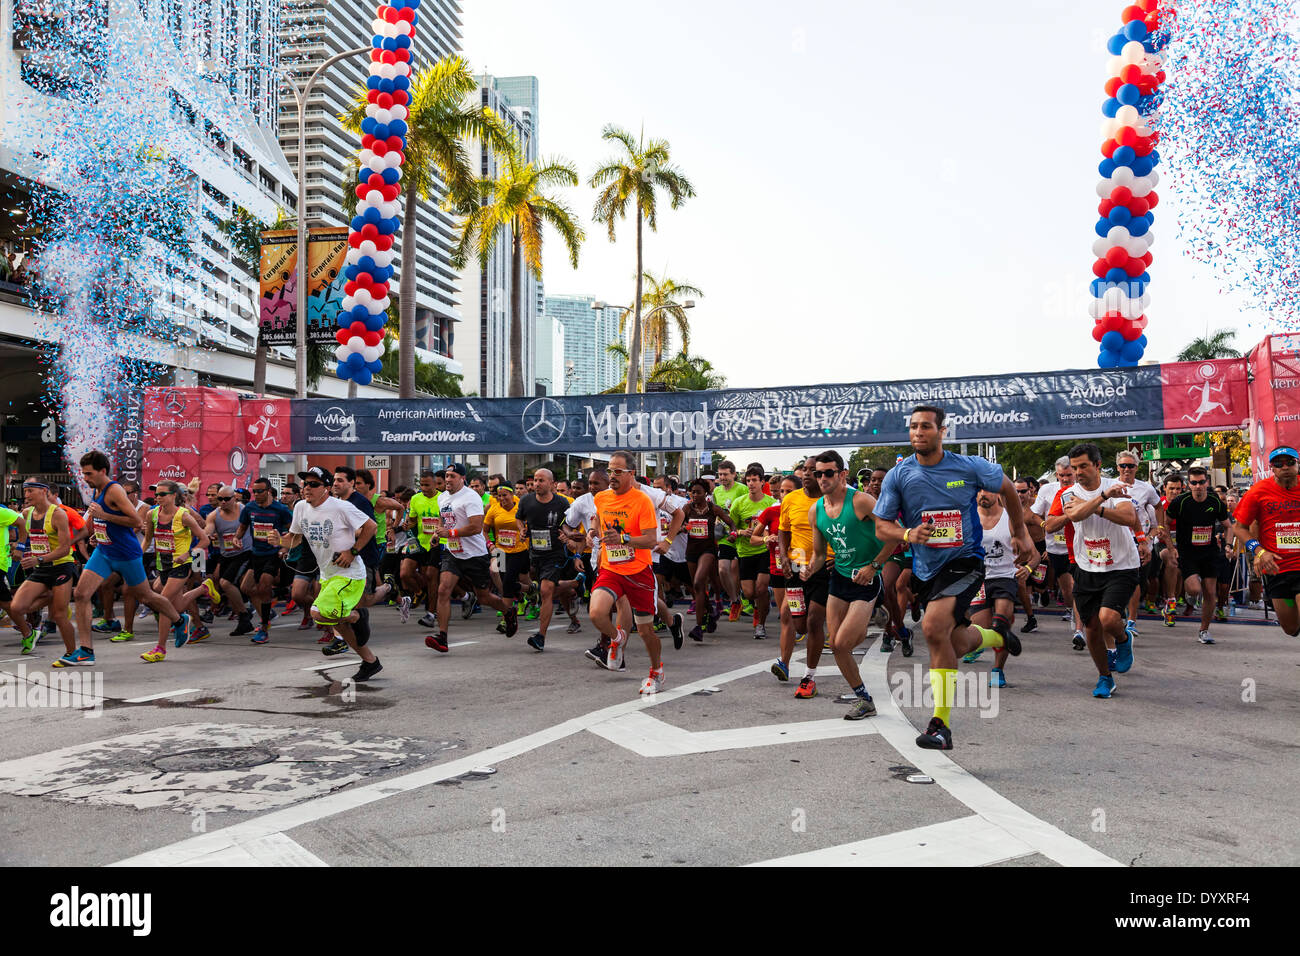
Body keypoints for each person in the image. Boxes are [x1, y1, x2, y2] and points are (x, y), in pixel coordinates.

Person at [873, 406, 1032, 749]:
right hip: (925, 570)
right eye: (913, 426)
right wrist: (907, 534)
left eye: (926, 426)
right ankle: (996, 637)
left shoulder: (968, 466)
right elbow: (882, 526)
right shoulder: (899, 476)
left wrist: (1019, 531)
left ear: (942, 431)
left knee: (932, 628)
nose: (918, 432)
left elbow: (1005, 486)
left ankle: (940, 725)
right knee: (955, 643)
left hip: (965, 562)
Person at [67, 451, 188, 666]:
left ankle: (180, 621)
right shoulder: (98, 489)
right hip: (104, 551)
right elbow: (99, 523)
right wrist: (94, 533)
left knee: (147, 597)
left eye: (88, 473)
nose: (84, 477)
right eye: (83, 473)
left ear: (102, 471)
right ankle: (86, 651)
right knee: (81, 594)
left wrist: (104, 517)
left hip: (125, 554)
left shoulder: (114, 491)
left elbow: (134, 521)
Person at [805, 451, 892, 718]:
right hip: (840, 579)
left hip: (867, 578)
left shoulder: (862, 501)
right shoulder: (816, 510)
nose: (822, 478)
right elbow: (820, 555)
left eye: (828, 473)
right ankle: (863, 698)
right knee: (837, 644)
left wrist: (873, 566)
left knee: (843, 644)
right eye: (818, 473)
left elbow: (894, 535)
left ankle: (872, 610)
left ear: (842, 474)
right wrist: (808, 569)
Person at [1054, 442, 1144, 698]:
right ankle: (1105, 677)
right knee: (1092, 627)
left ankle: (1123, 639)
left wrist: (1097, 503)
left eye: (1083, 466)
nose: (1079, 472)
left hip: (1121, 565)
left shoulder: (1118, 487)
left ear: (1097, 465)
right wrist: (1104, 500)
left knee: (1108, 619)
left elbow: (1128, 518)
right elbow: (1075, 515)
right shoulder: (1069, 493)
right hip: (1087, 565)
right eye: (1074, 467)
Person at [281, 470, 382, 682]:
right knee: (340, 625)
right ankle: (371, 662)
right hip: (328, 574)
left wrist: (352, 552)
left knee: (317, 613)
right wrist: (279, 542)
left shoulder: (340, 506)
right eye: (304, 484)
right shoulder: (300, 507)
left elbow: (371, 527)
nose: (307, 488)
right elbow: (295, 539)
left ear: (325, 487)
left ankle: (357, 615)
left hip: (349, 574)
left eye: (313, 484)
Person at [588, 451, 665, 695]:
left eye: (618, 471)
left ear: (631, 474)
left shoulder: (642, 501)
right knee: (596, 614)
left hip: (639, 571)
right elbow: (598, 519)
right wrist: (593, 531)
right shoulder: (601, 498)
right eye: (610, 470)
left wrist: (623, 538)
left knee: (645, 631)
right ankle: (618, 638)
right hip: (611, 568)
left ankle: (656, 672)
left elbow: (651, 539)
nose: (612, 475)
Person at [428, 463, 518, 652]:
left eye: (452, 476)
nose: (448, 479)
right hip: (452, 552)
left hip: (475, 555)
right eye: (446, 476)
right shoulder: (442, 497)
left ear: (462, 479)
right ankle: (442, 637)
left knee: (484, 597)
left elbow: (476, 527)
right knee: (443, 590)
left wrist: (449, 532)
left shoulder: (471, 497)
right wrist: (438, 533)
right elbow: (442, 519)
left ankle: (509, 611)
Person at [966, 489, 1039, 687]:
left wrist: (1028, 568)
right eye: (979, 491)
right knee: (981, 629)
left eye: (987, 490)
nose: (983, 494)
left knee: (1002, 622)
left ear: (998, 493)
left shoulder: (1010, 519)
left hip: (1005, 577)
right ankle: (989, 641)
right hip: (979, 579)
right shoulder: (969, 518)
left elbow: (1035, 555)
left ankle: (998, 670)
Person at [137, 480, 211, 662]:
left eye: (162, 494)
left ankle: (160, 649)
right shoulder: (151, 514)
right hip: (163, 564)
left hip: (181, 565)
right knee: (174, 606)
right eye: (156, 494)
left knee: (163, 602)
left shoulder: (184, 516)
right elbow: (147, 540)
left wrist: (188, 554)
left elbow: (204, 540)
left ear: (173, 496)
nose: (158, 497)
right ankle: (203, 589)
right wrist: (136, 556)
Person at [1234, 447, 1300, 634]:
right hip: (1276, 568)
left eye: (1290, 462)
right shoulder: (1258, 491)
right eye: (1279, 464)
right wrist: (1259, 551)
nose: (1285, 467)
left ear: (1297, 463)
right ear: (1272, 467)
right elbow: (1239, 527)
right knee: (1291, 628)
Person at [515, 468, 581, 651]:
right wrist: (522, 530)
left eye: (541, 480)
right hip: (535, 553)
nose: (537, 484)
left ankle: (540, 637)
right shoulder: (526, 500)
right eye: (535, 480)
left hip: (555, 553)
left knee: (546, 590)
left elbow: (569, 525)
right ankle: (573, 588)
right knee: (553, 591)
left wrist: (567, 537)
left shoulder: (562, 503)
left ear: (552, 484)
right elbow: (519, 519)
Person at [1163, 465, 1230, 644]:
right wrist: (1171, 548)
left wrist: (1229, 545)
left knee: (1209, 591)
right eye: (1194, 483)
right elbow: (1165, 524)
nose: (1198, 486)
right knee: (1194, 589)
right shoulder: (1181, 501)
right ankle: (1190, 594)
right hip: (1188, 552)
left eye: (1201, 482)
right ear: (1189, 484)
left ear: (1207, 482)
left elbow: (1228, 525)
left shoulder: (1215, 501)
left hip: (1209, 552)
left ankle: (1204, 630)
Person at [779, 455, 828, 697]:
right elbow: (783, 531)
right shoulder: (790, 499)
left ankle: (809, 676)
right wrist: (784, 557)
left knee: (814, 621)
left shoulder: (832, 500)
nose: (807, 474)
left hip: (825, 567)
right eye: (805, 470)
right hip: (796, 568)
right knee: (799, 623)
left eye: (813, 471)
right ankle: (815, 639)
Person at [236, 477, 294, 644]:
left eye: (260, 491)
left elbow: (292, 531)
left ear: (269, 491)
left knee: (264, 584)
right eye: (254, 491)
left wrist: (284, 547)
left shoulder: (280, 509)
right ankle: (271, 606)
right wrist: (236, 538)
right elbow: (242, 527)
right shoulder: (249, 508)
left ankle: (263, 627)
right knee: (246, 587)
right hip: (256, 554)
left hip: (273, 554)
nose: (256, 494)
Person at [1033, 456, 1083, 649]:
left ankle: (1079, 629)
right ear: (1056, 475)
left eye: (1069, 475)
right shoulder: (1047, 490)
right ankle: (1072, 610)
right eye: (1061, 475)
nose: (1065, 479)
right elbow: (1034, 514)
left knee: (1076, 585)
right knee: (1068, 589)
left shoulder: (1081, 490)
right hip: (1056, 547)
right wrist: (1046, 525)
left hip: (1079, 546)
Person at [1114, 449, 1162, 643]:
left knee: (1135, 582)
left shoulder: (1146, 488)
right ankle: (1118, 616)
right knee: (1118, 581)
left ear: (1136, 467)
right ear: (1117, 467)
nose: (1126, 469)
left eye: (1130, 466)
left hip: (1140, 541)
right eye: (1123, 466)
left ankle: (1132, 620)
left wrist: (1158, 528)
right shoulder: (1110, 485)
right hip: (1117, 539)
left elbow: (1158, 506)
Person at [683, 479, 735, 641]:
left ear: (706, 493)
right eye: (692, 492)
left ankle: (698, 627)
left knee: (699, 582)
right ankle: (710, 612)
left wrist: (733, 533)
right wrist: (683, 528)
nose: (694, 495)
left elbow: (731, 523)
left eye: (698, 492)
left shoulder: (713, 509)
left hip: (708, 551)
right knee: (696, 588)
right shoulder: (687, 508)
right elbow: (676, 524)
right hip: (691, 552)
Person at [730, 464, 776, 639]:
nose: (751, 483)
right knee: (750, 593)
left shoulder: (770, 503)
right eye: (748, 480)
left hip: (765, 551)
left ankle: (761, 625)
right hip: (745, 552)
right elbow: (731, 528)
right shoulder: (739, 503)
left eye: (754, 480)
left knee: (761, 588)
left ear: (762, 482)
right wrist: (741, 532)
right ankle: (767, 595)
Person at [204, 485, 255, 635]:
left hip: (245, 553)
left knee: (225, 583)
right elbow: (208, 529)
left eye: (226, 499)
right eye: (220, 499)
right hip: (226, 555)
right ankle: (244, 616)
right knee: (222, 583)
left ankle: (245, 616)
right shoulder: (214, 515)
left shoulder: (243, 509)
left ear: (234, 498)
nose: (223, 502)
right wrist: (207, 535)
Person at [402, 470, 443, 628]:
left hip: (438, 542)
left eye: (427, 485)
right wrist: (407, 524)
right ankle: (420, 592)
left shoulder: (443, 498)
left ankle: (431, 614)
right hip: (420, 542)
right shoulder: (415, 498)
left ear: (435, 484)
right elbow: (412, 520)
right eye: (422, 485)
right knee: (405, 573)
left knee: (431, 576)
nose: (424, 488)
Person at [711, 461, 747, 620]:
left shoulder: (742, 489)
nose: (722, 477)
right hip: (725, 536)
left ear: (734, 474)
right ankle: (735, 601)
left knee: (740, 572)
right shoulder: (717, 491)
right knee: (722, 570)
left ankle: (750, 601)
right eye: (720, 475)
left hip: (742, 536)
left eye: (725, 474)